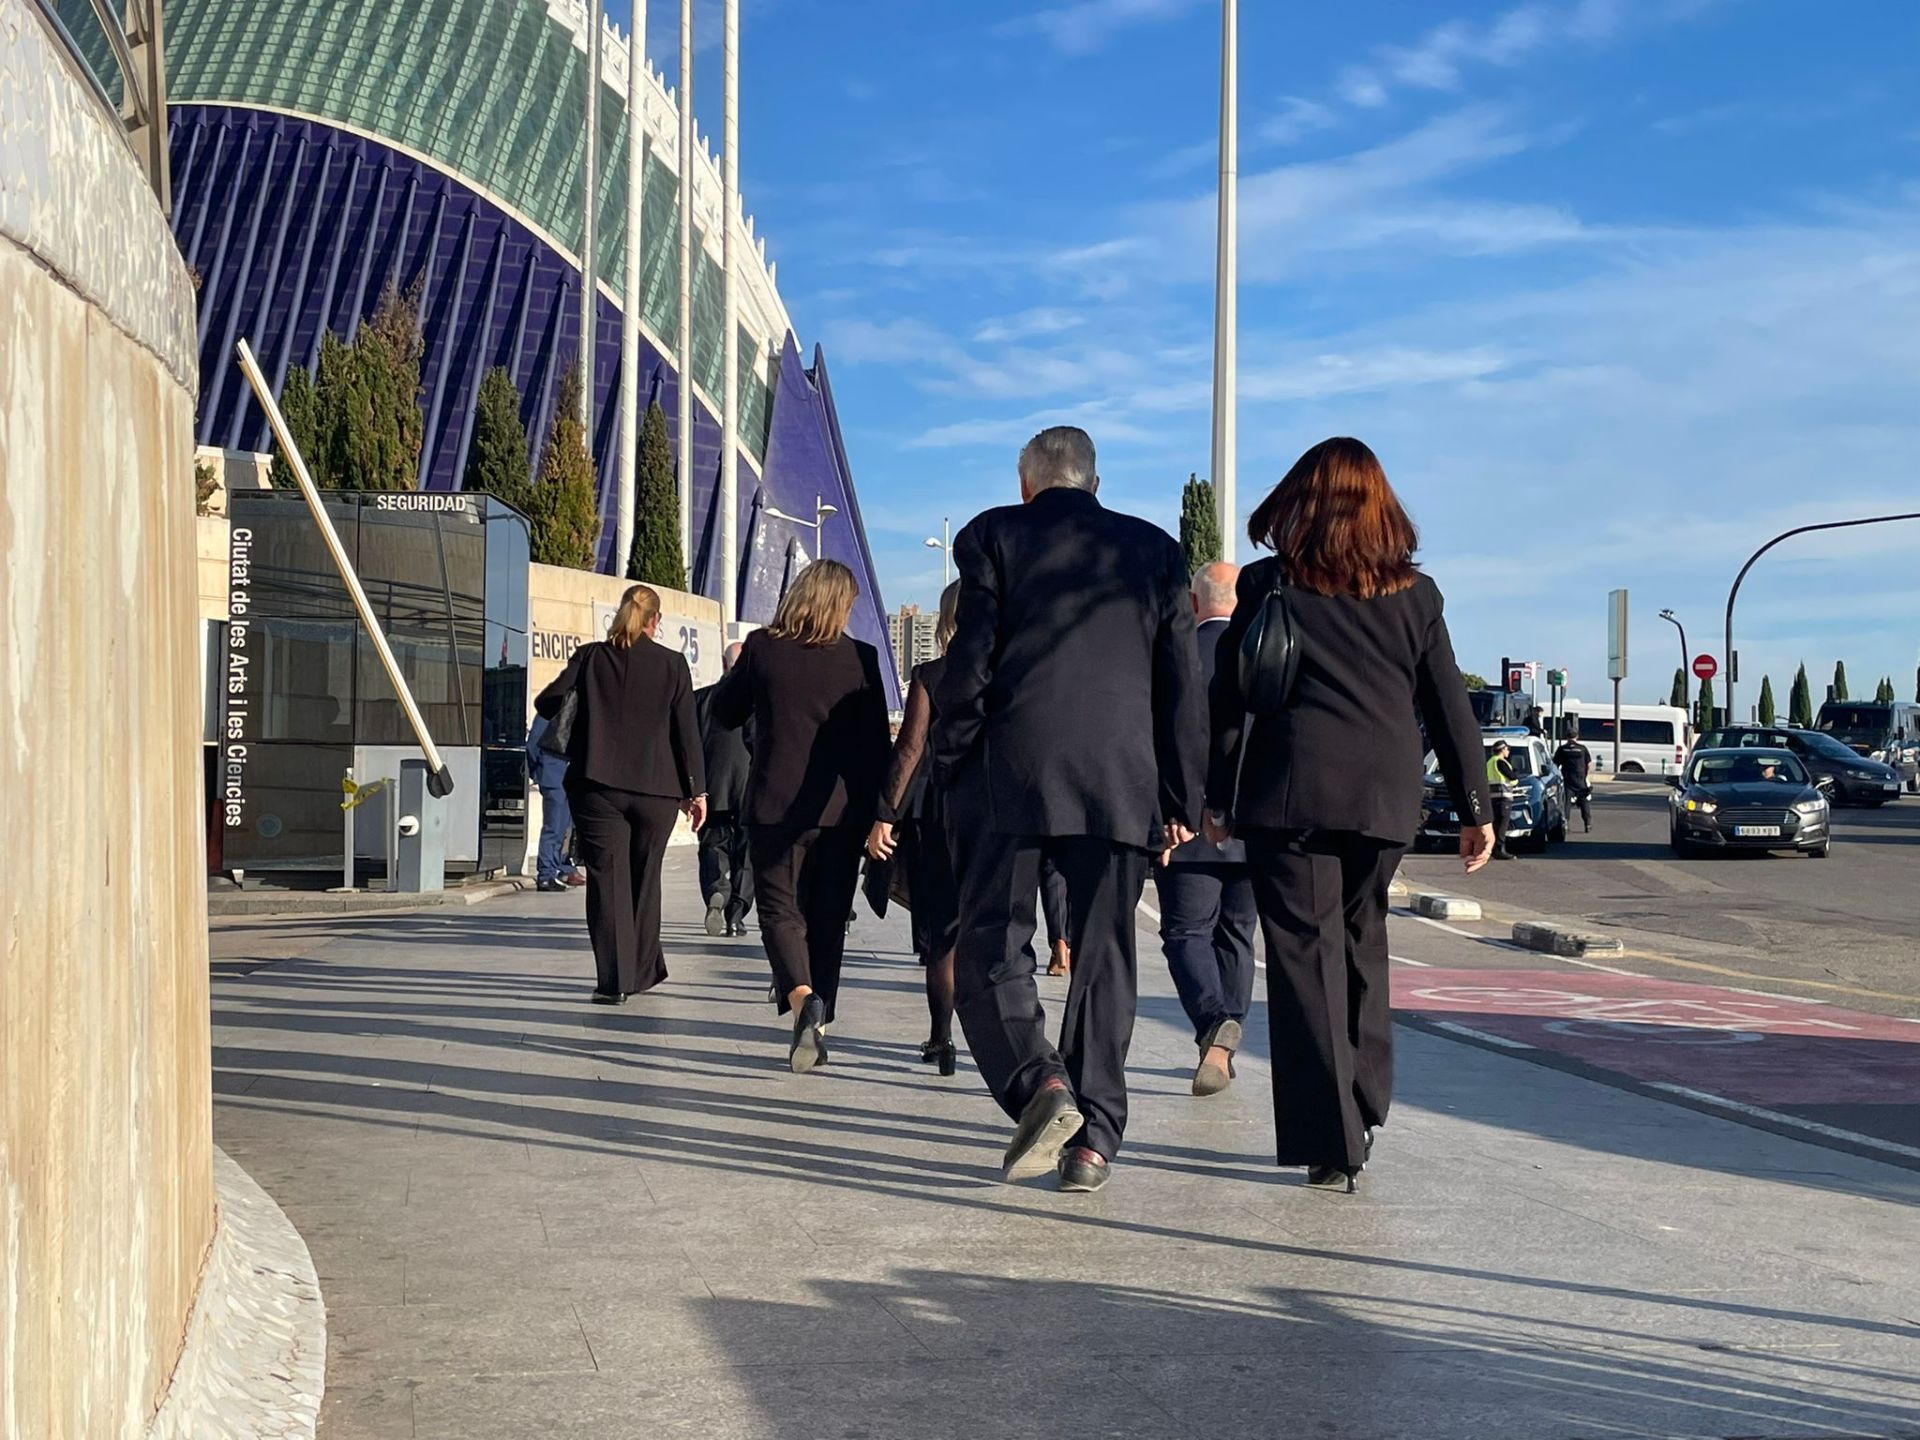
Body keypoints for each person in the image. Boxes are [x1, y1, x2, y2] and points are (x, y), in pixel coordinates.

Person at [1204, 437, 1493, 1193]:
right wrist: (1475, 805)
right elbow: (1448, 706)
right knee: (1363, 942)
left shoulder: (1271, 584)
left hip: (1289, 798)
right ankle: (1365, 1097)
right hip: (1385, 799)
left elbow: (1232, 696)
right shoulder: (1417, 597)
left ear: (1304, 498)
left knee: (1305, 964)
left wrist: (1214, 796)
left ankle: (1332, 1139)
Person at [934, 425, 1205, 1194]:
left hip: (1016, 770)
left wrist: (954, 755)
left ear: (1028, 484)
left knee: (993, 943)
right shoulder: (1155, 549)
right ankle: (1095, 1142)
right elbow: (1180, 681)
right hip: (1123, 777)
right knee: (1107, 954)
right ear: (1092, 480)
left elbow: (971, 661)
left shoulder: (993, 536)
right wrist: (1182, 795)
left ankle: (1038, 1083)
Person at [712, 560, 889, 1073]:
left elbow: (724, 712)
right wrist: (883, 814)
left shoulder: (764, 647)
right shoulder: (862, 657)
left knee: (779, 910)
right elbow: (878, 746)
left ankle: (802, 998)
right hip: (843, 812)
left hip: (775, 806)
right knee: (829, 917)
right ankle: (820, 1016)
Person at [533, 584, 706, 1004]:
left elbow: (548, 701)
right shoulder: (672, 664)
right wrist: (696, 791)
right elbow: (686, 732)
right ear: (655, 621)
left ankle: (613, 982)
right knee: (646, 881)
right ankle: (642, 971)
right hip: (658, 791)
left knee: (608, 881)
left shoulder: (592, 657)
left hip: (598, 786)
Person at [1153, 560, 1256, 1097]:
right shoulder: (1263, 654)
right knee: (1238, 934)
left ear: (1194, 603)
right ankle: (1223, 1046)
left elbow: (1161, 743)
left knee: (1186, 932)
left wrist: (1166, 813)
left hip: (1186, 825)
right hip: (1250, 825)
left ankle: (1215, 1026)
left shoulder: (1175, 656)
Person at [868, 580, 964, 1077]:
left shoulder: (931, 674)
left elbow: (909, 749)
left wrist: (885, 812)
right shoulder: (1008, 670)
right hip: (992, 814)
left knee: (940, 937)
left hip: (935, 815)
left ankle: (941, 1038)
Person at [696, 641, 753, 936]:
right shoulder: (756, 702)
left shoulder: (701, 699)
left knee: (712, 847)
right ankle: (737, 914)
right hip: (748, 789)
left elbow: (687, 744)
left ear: (723, 662)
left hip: (711, 788)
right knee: (747, 853)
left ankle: (717, 891)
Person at [525, 714, 586, 892]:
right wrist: (538, 773)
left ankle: (562, 867)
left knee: (566, 827)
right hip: (553, 773)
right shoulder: (549, 712)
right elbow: (532, 745)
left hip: (568, 774)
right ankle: (546, 874)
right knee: (554, 826)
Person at [1553, 723, 1594, 833]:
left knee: (1566, 803)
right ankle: (1587, 824)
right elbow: (1589, 764)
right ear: (1577, 737)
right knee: (1584, 802)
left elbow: (1555, 764)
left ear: (1566, 737)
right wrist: (1585, 776)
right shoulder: (1582, 749)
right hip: (1580, 779)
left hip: (1568, 779)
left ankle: (1565, 823)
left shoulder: (1562, 749)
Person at [1487, 740, 1519, 860]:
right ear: (1502, 750)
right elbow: (1512, 777)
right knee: (1502, 826)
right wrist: (1515, 774)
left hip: (1493, 798)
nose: (1508, 751)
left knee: (1496, 824)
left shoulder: (1490, 762)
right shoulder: (1500, 762)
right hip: (1503, 797)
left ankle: (1494, 849)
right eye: (1507, 749)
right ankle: (1500, 849)